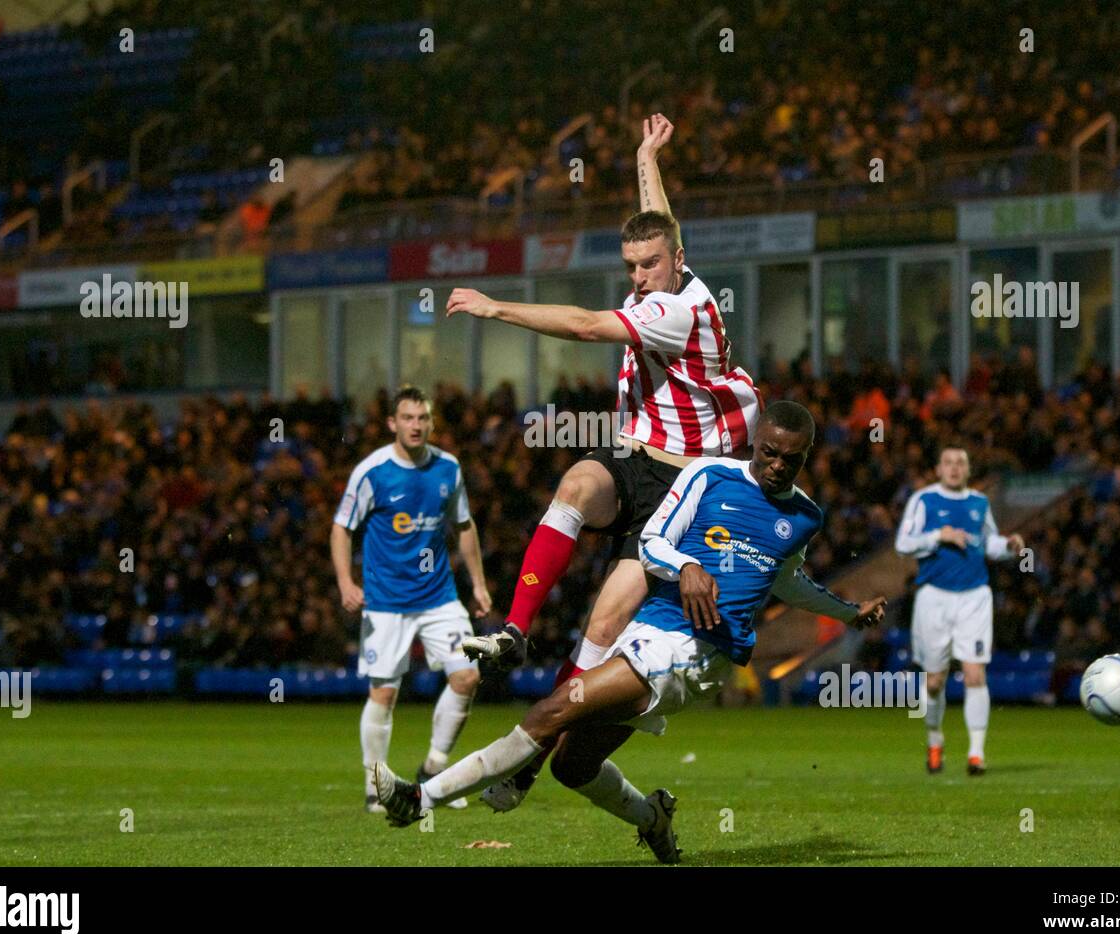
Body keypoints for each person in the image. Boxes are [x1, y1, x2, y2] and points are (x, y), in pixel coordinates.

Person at [373, 402, 886, 862]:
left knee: (555, 709)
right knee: (572, 765)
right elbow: (653, 541)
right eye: (770, 453)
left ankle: (421, 798)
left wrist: (847, 612)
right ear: (756, 441)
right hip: (647, 633)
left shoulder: (804, 517)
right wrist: (686, 566)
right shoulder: (709, 474)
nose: (777, 466)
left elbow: (789, 581)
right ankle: (652, 818)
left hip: (697, 653)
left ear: (806, 457)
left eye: (790, 460)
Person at [446, 114, 762, 812]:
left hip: (683, 489)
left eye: (649, 265)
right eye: (630, 268)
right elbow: (662, 222)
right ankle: (515, 630)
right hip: (637, 456)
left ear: (676, 263)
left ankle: (530, 764)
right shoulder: (671, 274)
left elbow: (588, 327)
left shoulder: (677, 311)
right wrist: (645, 155)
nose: (639, 277)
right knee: (577, 483)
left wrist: (496, 307)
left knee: (601, 629)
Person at [331, 385, 493, 812]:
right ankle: (376, 785)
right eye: (408, 418)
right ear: (392, 424)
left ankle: (433, 769)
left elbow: (463, 524)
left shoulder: (448, 468)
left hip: (439, 595)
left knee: (468, 676)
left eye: (423, 418)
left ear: (431, 422)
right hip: (386, 601)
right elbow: (342, 526)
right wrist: (346, 583)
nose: (416, 425)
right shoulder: (373, 472)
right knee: (384, 693)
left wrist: (477, 583)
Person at [895, 447, 1025, 775]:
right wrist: (940, 535)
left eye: (961, 463)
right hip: (933, 598)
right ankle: (935, 739)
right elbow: (903, 543)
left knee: (974, 673)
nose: (954, 468)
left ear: (968, 470)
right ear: (938, 468)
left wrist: (1009, 546)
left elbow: (989, 543)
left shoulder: (979, 503)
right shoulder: (924, 500)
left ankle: (976, 754)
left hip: (974, 597)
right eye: (948, 462)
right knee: (935, 681)